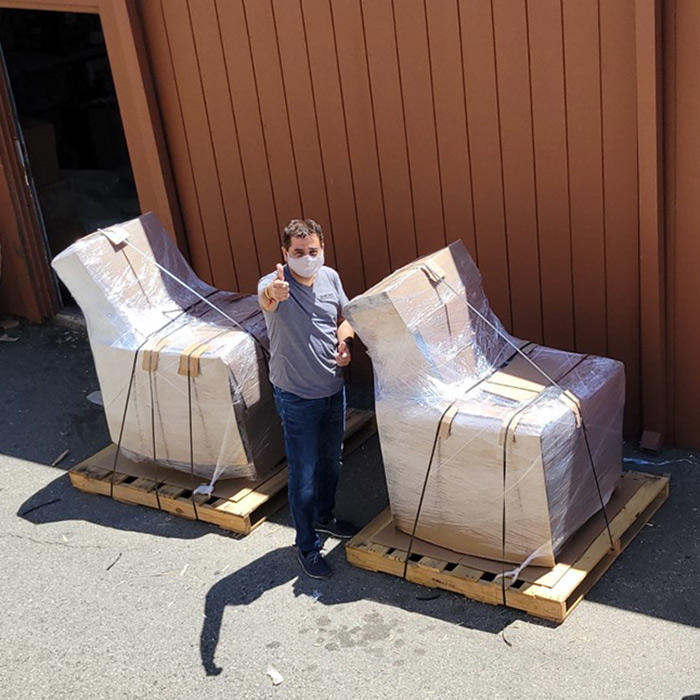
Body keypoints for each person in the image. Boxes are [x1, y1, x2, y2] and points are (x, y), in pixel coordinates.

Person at [257, 218, 357, 579]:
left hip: (332, 390)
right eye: (298, 252)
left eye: (312, 251)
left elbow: (346, 318)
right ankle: (306, 546)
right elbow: (265, 298)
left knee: (332, 461)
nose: (306, 257)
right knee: (304, 472)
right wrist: (273, 293)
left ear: (322, 250)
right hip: (297, 396)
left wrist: (344, 342)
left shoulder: (330, 277)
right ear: (285, 253)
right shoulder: (274, 285)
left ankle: (324, 517)